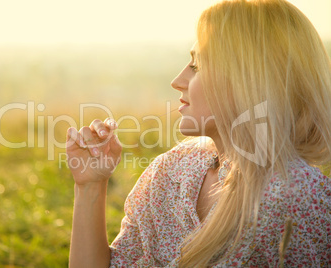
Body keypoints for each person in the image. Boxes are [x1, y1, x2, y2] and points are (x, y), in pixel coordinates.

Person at [67, 0, 331, 267]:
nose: (177, 80)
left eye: (196, 67)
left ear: (250, 81)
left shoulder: (298, 197)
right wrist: (90, 185)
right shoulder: (172, 169)